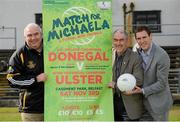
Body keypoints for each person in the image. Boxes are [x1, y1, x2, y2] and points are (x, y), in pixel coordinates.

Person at [6, 23, 47, 121]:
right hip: (32, 110)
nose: (33, 38)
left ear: (41, 34)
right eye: (29, 35)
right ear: (25, 37)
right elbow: (11, 80)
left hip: (57, 106)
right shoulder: (20, 54)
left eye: (36, 34)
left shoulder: (53, 49)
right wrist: (35, 79)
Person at [133, 26, 173, 121]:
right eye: (138, 38)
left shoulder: (162, 55)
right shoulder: (137, 53)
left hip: (158, 104)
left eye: (144, 37)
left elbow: (162, 83)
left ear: (151, 36)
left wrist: (143, 90)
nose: (142, 41)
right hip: (142, 105)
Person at [108, 29, 144, 121]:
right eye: (115, 40)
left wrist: (116, 85)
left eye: (121, 40)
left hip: (129, 107)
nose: (118, 43)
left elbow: (138, 80)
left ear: (127, 41)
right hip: (111, 106)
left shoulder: (135, 57)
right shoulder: (108, 56)